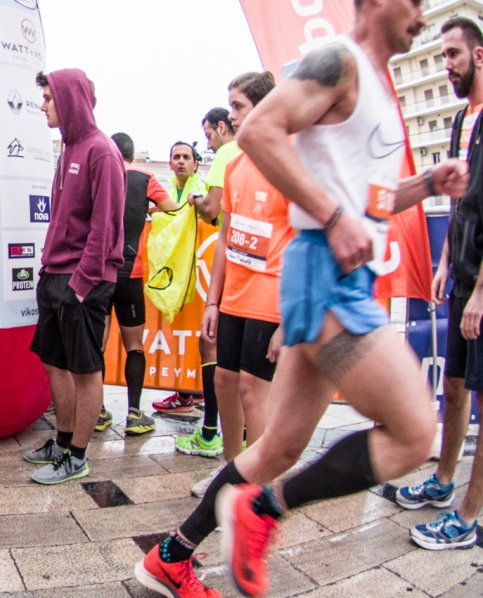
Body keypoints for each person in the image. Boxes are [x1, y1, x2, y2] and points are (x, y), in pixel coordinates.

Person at [134, 1, 470, 596]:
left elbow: (371, 200)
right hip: (326, 278)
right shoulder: (339, 60)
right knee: (417, 433)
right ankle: (263, 512)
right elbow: (261, 130)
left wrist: (425, 183)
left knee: (276, 447)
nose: (421, 14)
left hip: (333, 278)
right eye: (413, 3)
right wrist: (333, 215)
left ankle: (171, 555)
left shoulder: (378, 89)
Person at [396, 15, 483, 550]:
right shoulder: (460, 121)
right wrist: (448, 260)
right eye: (442, 55)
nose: (445, 64)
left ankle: (470, 518)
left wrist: (480, 292)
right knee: (452, 386)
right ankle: (445, 482)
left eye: (452, 54)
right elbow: (460, 201)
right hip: (464, 276)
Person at [192, 72, 294, 499]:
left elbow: (307, 244)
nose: (231, 117)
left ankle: (260, 483)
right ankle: (229, 477)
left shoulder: (290, 161)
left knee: (255, 391)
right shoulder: (233, 164)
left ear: (264, 108)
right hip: (231, 297)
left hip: (271, 299)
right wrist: (212, 302)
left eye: (238, 107)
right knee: (224, 383)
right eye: (230, 107)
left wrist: (290, 319)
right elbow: (225, 243)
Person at [22, 68, 125, 485]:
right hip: (56, 274)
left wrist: (80, 285)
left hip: (83, 281)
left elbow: (106, 225)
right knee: (54, 362)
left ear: (68, 99)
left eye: (48, 98)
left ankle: (77, 456)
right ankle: (63, 441)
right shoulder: (66, 150)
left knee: (85, 370)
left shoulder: (101, 151)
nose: (43, 105)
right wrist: (49, 272)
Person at [95, 132, 180, 435]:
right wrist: (148, 209)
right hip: (131, 272)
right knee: (134, 346)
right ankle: (134, 414)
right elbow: (173, 208)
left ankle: (98, 413)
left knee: (98, 343)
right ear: (132, 153)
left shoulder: (101, 175)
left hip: (99, 274)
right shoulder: (146, 178)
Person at [173, 109, 240, 461]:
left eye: (209, 136)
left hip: (234, 259)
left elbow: (213, 208)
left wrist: (195, 200)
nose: (209, 144)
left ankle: (213, 432)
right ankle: (238, 435)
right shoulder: (252, 149)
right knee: (238, 353)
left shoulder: (229, 152)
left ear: (221, 127)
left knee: (210, 344)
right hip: (253, 260)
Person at [152, 142, 207, 415]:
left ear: (196, 164)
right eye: (176, 157)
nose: (182, 161)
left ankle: (193, 391)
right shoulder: (167, 190)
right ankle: (187, 391)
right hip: (176, 272)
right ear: (170, 163)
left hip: (198, 271)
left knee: (197, 331)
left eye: (187, 157)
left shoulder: (204, 190)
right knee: (180, 330)